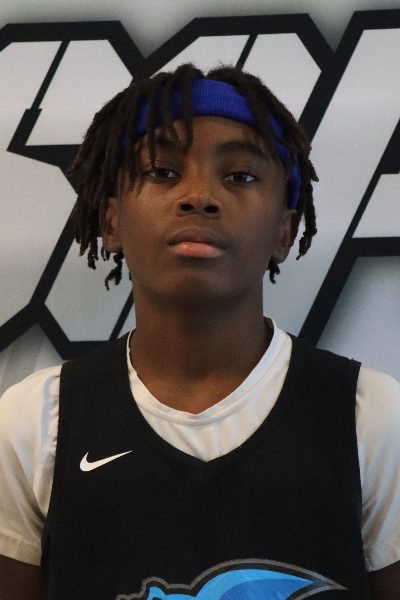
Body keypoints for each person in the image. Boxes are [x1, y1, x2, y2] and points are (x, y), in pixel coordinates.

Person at [0, 63, 399, 600]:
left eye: (240, 176)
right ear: (112, 220)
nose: (199, 196)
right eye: (163, 171)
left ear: (284, 231)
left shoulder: (370, 417)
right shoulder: (36, 422)